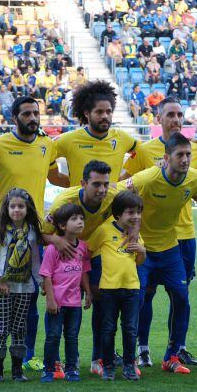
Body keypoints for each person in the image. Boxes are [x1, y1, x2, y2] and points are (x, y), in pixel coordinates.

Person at [0, 96, 61, 372]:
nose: (33, 118)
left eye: (36, 113)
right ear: (14, 118)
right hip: (2, 235)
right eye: (26, 113)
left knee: (29, 298)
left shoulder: (47, 145)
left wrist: (89, 181)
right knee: (1, 298)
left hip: (34, 234)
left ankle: (27, 355)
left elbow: (56, 179)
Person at [120, 97, 197, 367]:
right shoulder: (145, 152)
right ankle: (141, 349)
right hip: (147, 237)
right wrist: (131, 221)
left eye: (180, 114)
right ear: (158, 119)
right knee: (145, 294)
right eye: (170, 115)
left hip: (184, 234)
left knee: (181, 294)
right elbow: (124, 184)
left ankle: (177, 349)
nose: (177, 119)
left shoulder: (195, 150)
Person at [42, 160, 118, 375]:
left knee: (100, 300)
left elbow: (134, 206)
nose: (102, 189)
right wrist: (56, 241)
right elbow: (42, 233)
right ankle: (54, 362)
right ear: (83, 183)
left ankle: (98, 358)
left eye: (105, 184)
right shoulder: (63, 202)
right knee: (55, 307)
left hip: (89, 254)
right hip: (61, 256)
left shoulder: (112, 196)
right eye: (96, 184)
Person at [87, 191, 146, 380]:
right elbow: (87, 251)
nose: (135, 216)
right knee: (108, 328)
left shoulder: (136, 235)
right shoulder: (104, 230)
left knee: (130, 329)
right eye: (130, 212)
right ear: (118, 214)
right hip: (109, 290)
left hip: (131, 289)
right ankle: (109, 366)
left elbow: (139, 261)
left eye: (138, 212)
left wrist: (142, 251)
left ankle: (129, 365)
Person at [0, 188, 43, 383]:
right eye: (13, 206)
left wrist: (41, 282)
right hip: (4, 288)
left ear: (27, 209)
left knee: (20, 328)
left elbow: (35, 261)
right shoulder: (0, 231)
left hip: (25, 288)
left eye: (20, 206)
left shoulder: (32, 233)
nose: (17, 210)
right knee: (1, 329)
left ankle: (17, 370)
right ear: (7, 208)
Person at [49, 80, 138, 187]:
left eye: (108, 111)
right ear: (87, 113)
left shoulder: (122, 138)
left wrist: (122, 181)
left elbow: (143, 153)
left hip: (112, 203)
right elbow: (45, 154)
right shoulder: (68, 139)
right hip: (78, 203)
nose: (105, 116)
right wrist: (72, 184)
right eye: (99, 112)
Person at [40, 203, 92, 383]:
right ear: (62, 226)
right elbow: (46, 275)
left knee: (72, 337)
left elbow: (84, 270)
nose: (79, 222)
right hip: (57, 304)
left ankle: (71, 369)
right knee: (53, 336)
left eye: (81, 219)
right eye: (74, 219)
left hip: (75, 304)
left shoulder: (83, 247)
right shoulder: (53, 249)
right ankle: (48, 369)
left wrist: (88, 292)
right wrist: (51, 301)